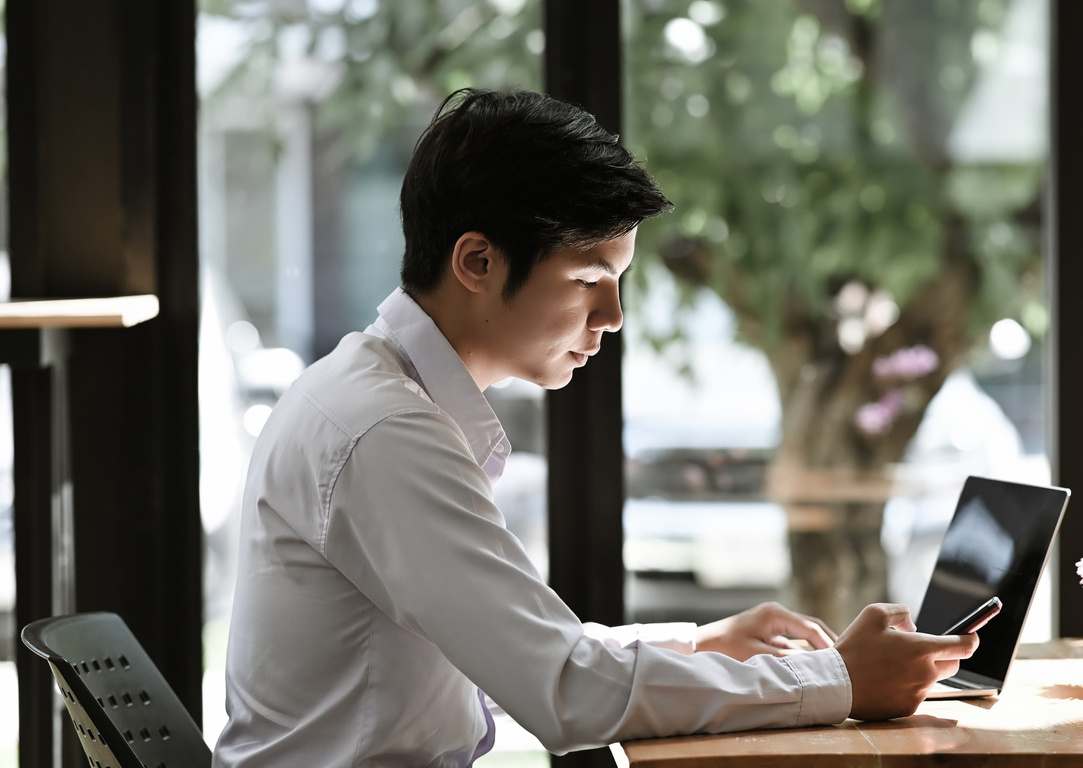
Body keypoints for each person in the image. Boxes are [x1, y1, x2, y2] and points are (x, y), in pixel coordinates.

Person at [212, 88, 979, 768]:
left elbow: (524, 654)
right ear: (477, 261)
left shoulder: (374, 394)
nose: (612, 319)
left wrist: (702, 643)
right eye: (588, 282)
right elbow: (565, 692)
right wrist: (837, 681)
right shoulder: (384, 432)